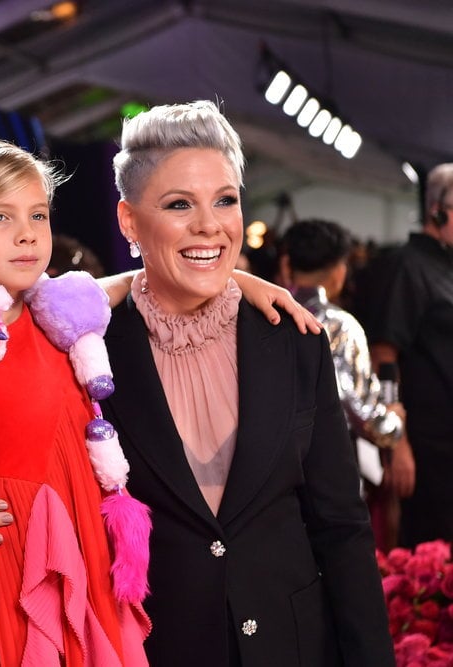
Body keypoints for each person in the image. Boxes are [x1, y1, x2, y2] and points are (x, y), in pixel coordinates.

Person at [99, 100, 393, 665]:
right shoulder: (91, 349)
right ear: (129, 221)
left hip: (295, 644)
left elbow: (341, 526)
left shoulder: (294, 338)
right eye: (179, 204)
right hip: (159, 647)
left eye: (225, 200)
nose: (209, 224)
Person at [0, 138, 151, 666]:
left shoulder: (55, 322)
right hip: (7, 594)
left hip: (84, 572)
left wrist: (242, 282)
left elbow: (137, 281)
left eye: (37, 215)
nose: (27, 234)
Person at [280, 219, 408, 550]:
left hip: (275, 479)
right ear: (340, 270)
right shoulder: (340, 325)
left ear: (286, 264)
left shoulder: (265, 316)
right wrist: (394, 422)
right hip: (332, 477)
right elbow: (362, 411)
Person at [366, 162, 453, 547]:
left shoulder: (443, 265)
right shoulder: (406, 266)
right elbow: (383, 356)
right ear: (437, 211)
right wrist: (397, 444)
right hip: (427, 444)